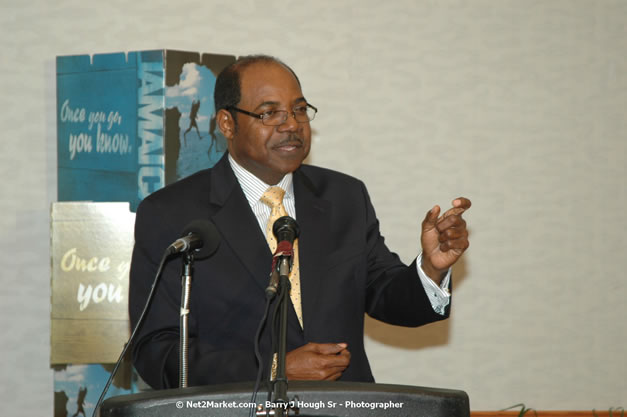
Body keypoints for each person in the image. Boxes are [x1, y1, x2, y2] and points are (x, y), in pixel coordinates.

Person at [129, 55, 471, 389]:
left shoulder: (343, 198)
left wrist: (430, 268)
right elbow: (157, 351)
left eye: (299, 110)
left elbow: (386, 295)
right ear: (227, 124)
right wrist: (274, 368)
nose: (291, 124)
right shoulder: (171, 214)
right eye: (269, 112)